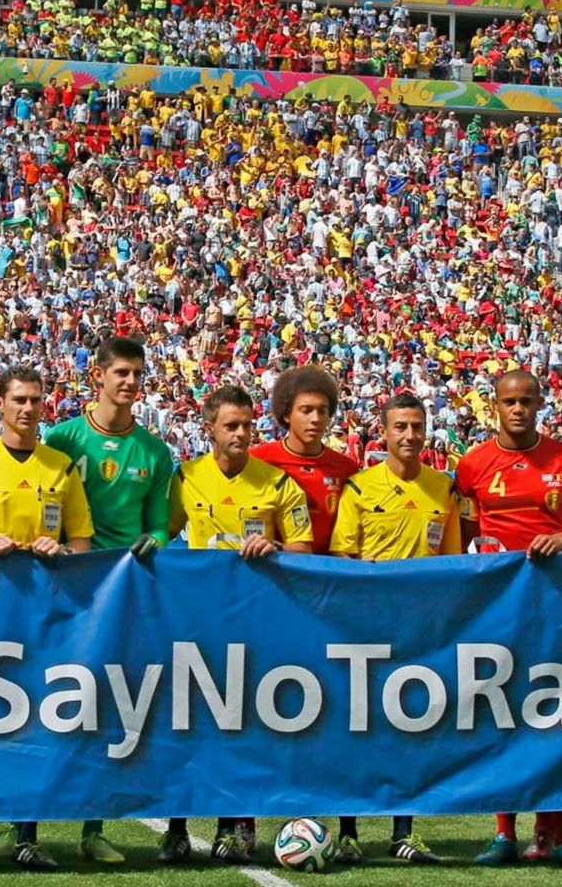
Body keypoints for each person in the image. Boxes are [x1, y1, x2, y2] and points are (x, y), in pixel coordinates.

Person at [453, 369, 562, 873]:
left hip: (559, 605)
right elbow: (466, 536)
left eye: (527, 401)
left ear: (541, 403)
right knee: (504, 716)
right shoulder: (473, 464)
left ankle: (561, 835)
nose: (518, 409)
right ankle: (503, 834)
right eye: (509, 401)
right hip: (499, 609)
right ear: (494, 405)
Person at [0, 365, 93, 871]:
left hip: (43, 610)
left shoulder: (61, 467)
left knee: (35, 720)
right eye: (19, 400)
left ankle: (28, 834)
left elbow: (82, 540)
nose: (27, 409)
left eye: (35, 400)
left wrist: (63, 550)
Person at [167, 383, 313, 864]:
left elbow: (305, 548)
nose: (242, 434)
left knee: (243, 727)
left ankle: (237, 828)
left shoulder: (275, 483)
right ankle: (177, 828)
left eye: (248, 425)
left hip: (255, 624)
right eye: (231, 425)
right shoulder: (184, 478)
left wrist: (275, 548)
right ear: (208, 428)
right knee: (188, 724)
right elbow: (157, 534)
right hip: (197, 621)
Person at [43, 336, 174, 866]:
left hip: (122, 591)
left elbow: (160, 525)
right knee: (41, 702)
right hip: (66, 584)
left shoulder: (155, 451)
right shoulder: (63, 438)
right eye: (120, 372)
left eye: (137, 374)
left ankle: (93, 828)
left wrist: (157, 544)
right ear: (97, 375)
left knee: (105, 710)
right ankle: (21, 826)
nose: (130, 382)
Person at [329, 392, 454, 865]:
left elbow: (452, 561)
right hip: (362, 628)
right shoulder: (360, 488)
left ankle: (403, 832)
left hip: (419, 630)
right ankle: (348, 831)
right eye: (399, 427)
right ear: (383, 432)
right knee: (353, 729)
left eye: (416, 426)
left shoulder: (442, 487)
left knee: (409, 731)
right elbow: (342, 555)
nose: (408, 435)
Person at [246, 365, 363, 860]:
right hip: (269, 605)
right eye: (306, 411)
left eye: (324, 411)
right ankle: (242, 823)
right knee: (254, 714)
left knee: (336, 717)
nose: (316, 419)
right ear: (285, 415)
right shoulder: (259, 461)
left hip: (328, 608)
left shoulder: (347, 470)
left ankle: (349, 829)